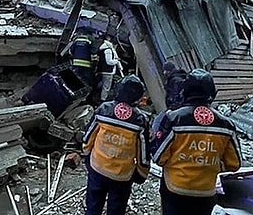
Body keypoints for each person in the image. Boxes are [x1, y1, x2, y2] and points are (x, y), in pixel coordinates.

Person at [151, 69, 241, 215]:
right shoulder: (226, 124)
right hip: (205, 193)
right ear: (212, 94)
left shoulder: (173, 118)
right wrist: (209, 164)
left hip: (175, 189)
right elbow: (234, 164)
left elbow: (158, 158)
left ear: (184, 92)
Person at [82, 75, 150, 215]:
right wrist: (142, 173)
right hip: (122, 175)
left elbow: (88, 137)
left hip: (98, 167)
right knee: (117, 208)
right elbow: (143, 152)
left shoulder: (103, 109)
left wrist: (87, 156)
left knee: (93, 205)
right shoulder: (140, 120)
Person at [96, 35, 124, 101]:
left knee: (100, 84)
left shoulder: (103, 49)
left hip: (102, 70)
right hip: (108, 71)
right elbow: (109, 62)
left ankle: (97, 96)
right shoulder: (108, 50)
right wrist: (117, 60)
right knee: (106, 87)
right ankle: (103, 99)